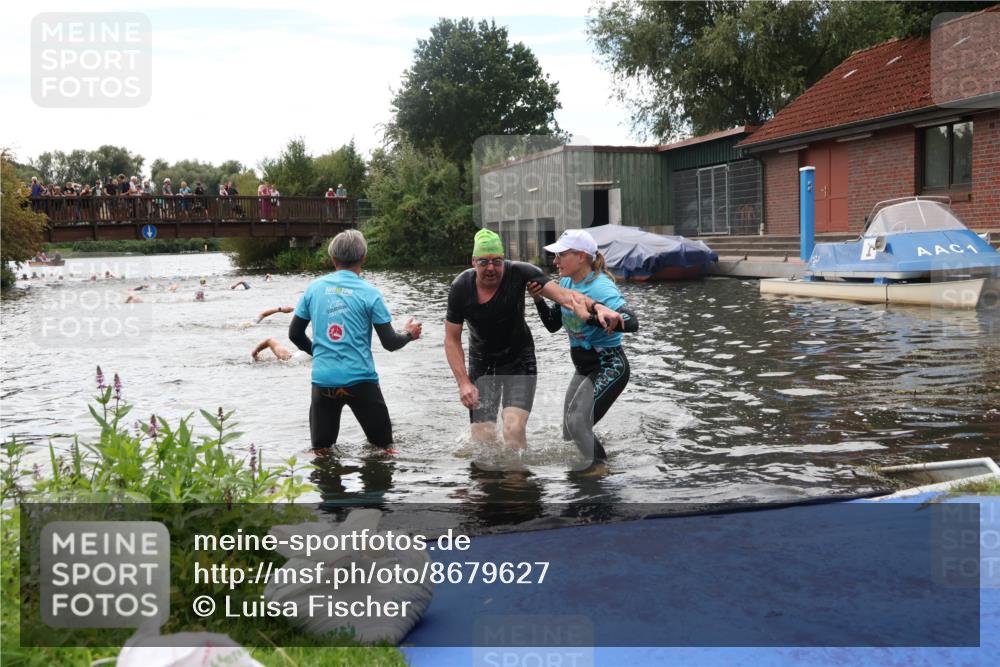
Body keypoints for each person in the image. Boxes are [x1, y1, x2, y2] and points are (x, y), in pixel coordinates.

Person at [444, 229, 621, 449]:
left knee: (513, 430)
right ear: (473, 262)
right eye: (483, 262)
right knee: (483, 439)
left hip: (519, 360)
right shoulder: (461, 288)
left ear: (504, 259)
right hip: (482, 363)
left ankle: (519, 480)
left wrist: (598, 307)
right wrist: (463, 383)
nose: (491, 268)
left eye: (497, 261)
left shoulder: (520, 272)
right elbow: (452, 339)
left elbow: (565, 297)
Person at [288, 229, 422, 451]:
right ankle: (379, 483)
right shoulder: (370, 293)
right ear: (363, 257)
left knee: (321, 452)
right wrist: (409, 334)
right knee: (385, 449)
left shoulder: (313, 289)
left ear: (333, 259)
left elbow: (294, 334)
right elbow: (389, 343)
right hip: (361, 382)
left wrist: (319, 354)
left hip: (324, 382)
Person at [529, 229, 639, 468]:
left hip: (610, 365)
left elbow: (632, 322)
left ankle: (600, 468)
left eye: (561, 255)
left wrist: (589, 316)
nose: (555, 261)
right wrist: (538, 299)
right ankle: (587, 468)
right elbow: (552, 324)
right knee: (569, 431)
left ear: (581, 256)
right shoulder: (567, 282)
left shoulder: (601, 288)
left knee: (578, 422)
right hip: (583, 369)